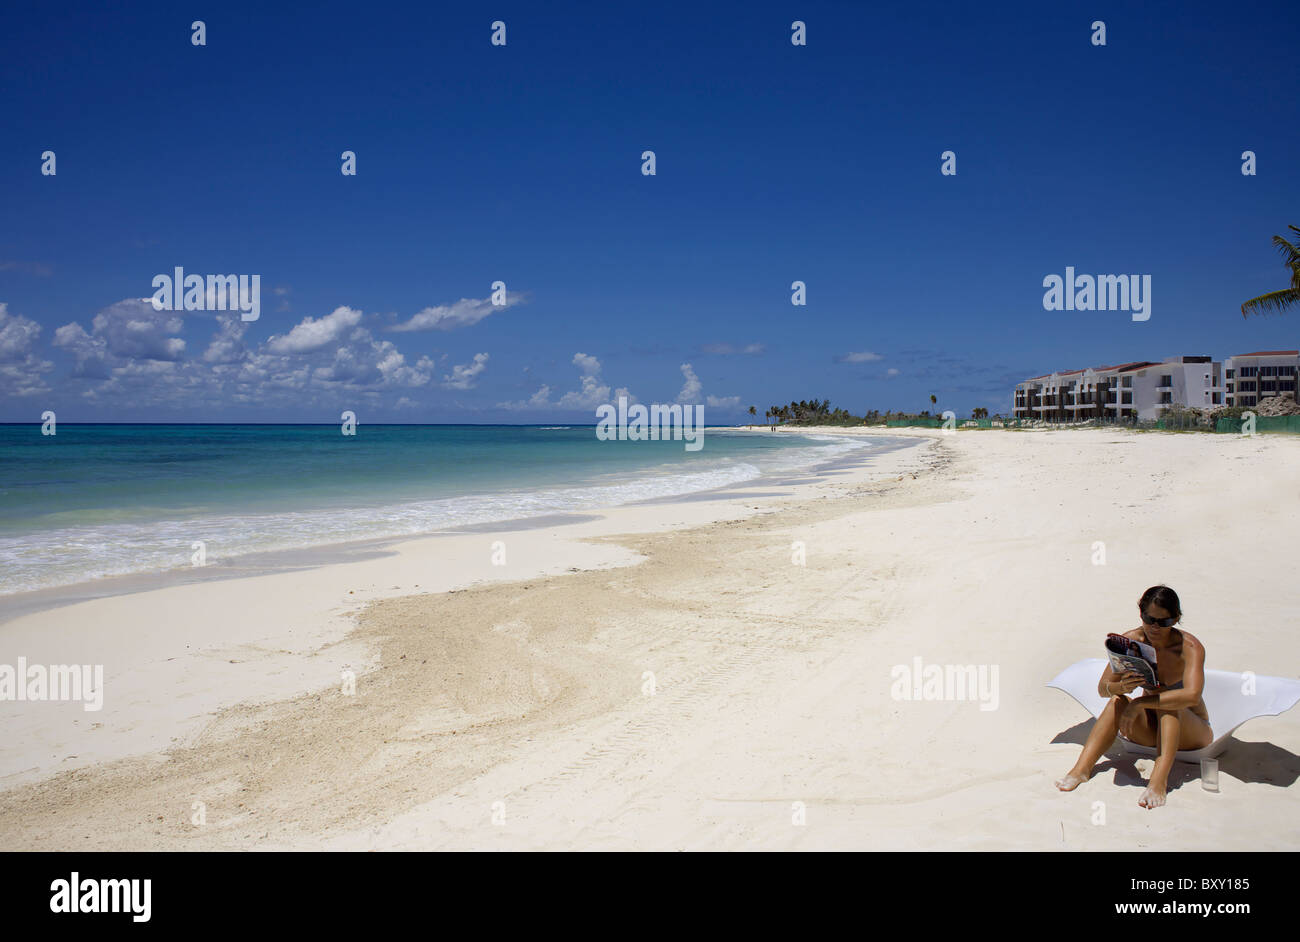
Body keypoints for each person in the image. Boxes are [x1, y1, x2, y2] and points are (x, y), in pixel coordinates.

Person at [1055, 585, 1212, 808]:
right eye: (1149, 619)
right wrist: (1120, 688)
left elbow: (1192, 696)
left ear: (1176, 619)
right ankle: (1081, 770)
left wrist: (1140, 702)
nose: (1155, 627)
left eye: (1163, 622)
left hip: (1193, 734)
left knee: (1170, 703)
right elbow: (1103, 688)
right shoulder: (1130, 641)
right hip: (1151, 731)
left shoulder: (1189, 647)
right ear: (1141, 612)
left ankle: (1158, 782)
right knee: (1116, 702)